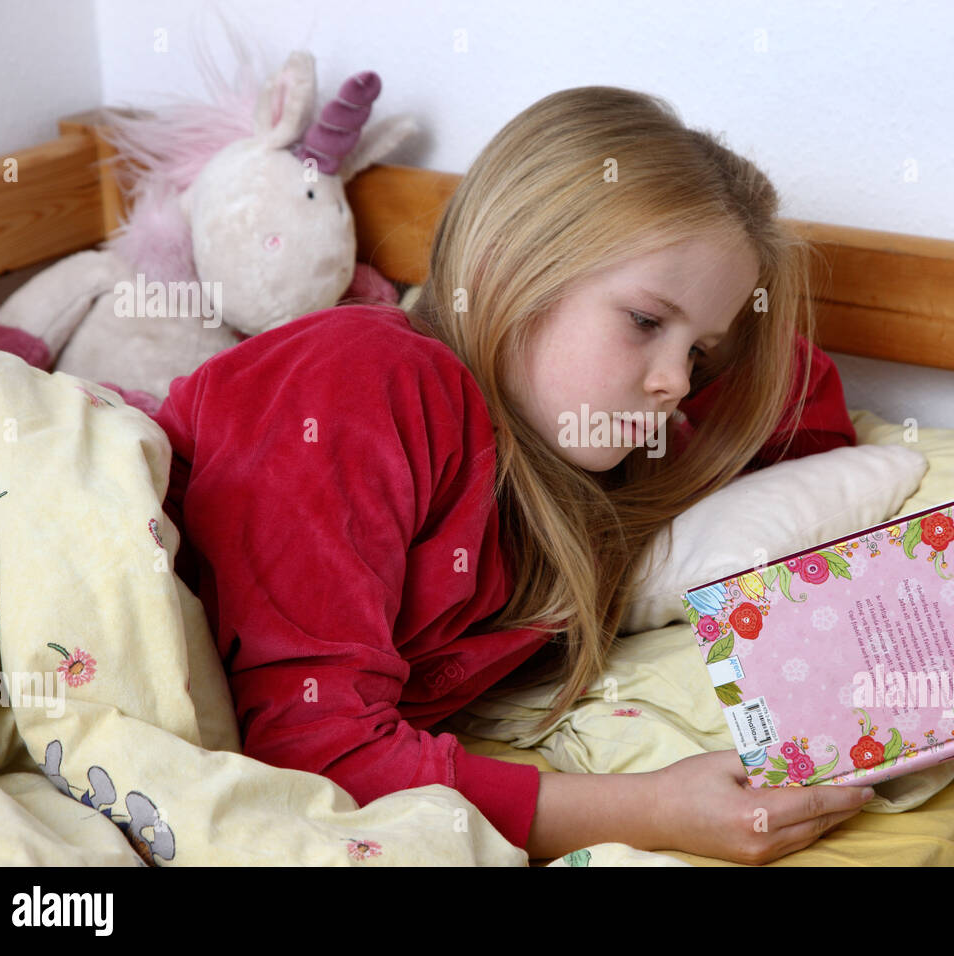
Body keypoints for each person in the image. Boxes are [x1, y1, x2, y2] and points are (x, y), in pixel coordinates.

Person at [152, 85, 873, 867]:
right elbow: (312, 751)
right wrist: (653, 810)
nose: (675, 381)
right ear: (512, 263)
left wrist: (725, 328)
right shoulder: (367, 380)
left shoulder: (576, 477)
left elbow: (808, 422)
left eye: (700, 353)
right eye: (644, 322)